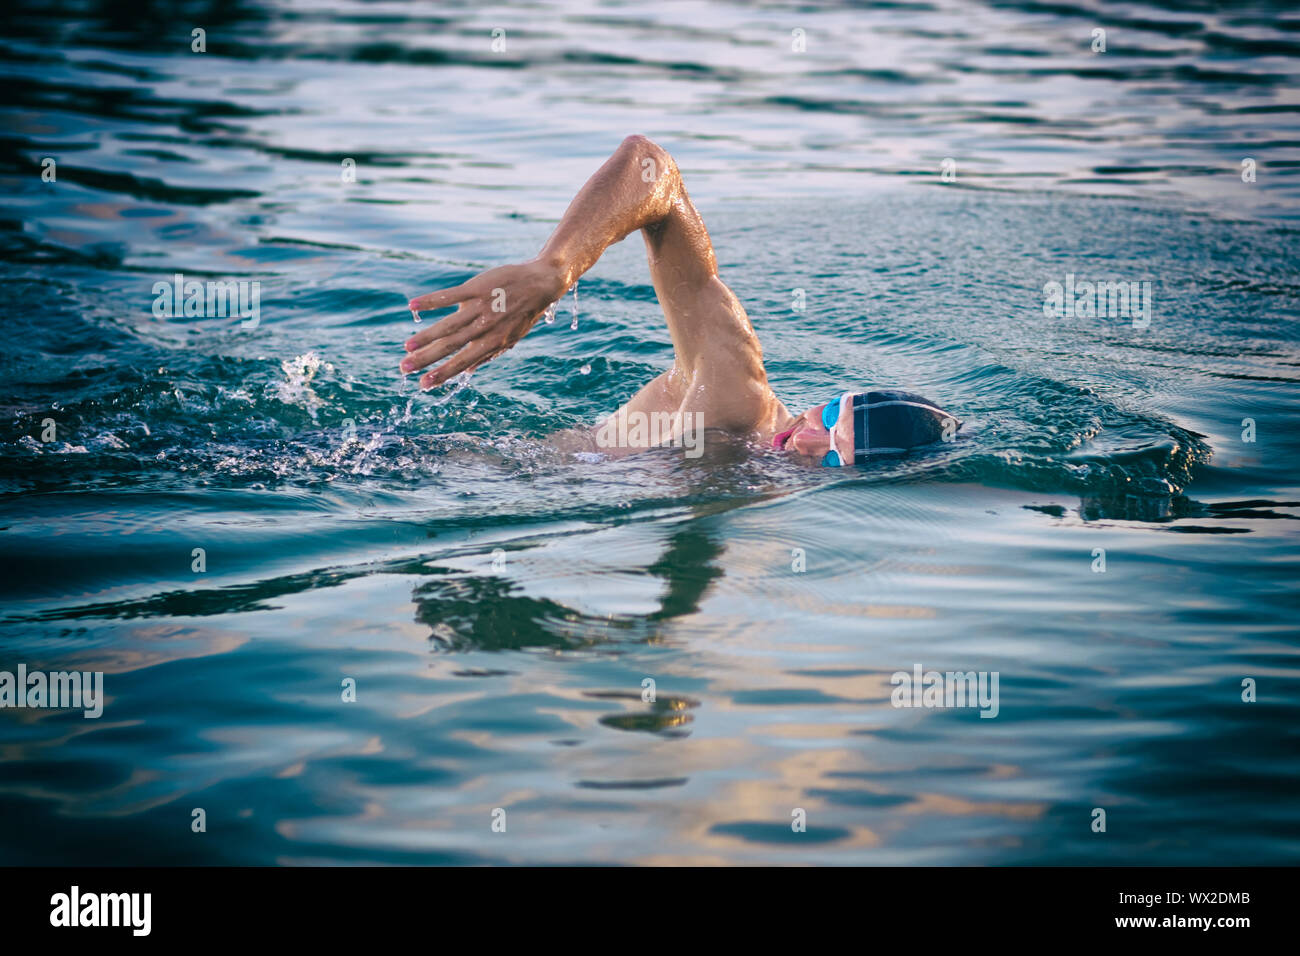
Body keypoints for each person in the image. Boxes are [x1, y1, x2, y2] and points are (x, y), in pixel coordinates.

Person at [401, 135, 958, 466]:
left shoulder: (749, 494)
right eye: (831, 414)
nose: (809, 437)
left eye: (837, 451)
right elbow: (651, 167)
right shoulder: (736, 398)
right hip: (413, 471)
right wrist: (556, 268)